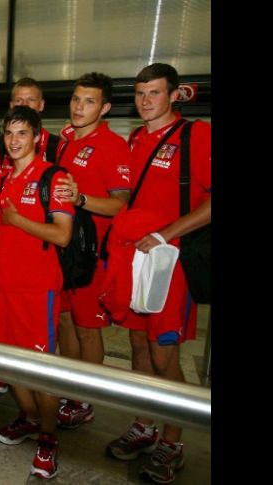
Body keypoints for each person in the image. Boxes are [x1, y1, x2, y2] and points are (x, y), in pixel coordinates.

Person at [105, 63, 210, 485]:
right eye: (141, 93)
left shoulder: (195, 135)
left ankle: (172, 440)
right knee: (137, 343)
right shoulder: (136, 138)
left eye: (155, 93)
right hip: (137, 259)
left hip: (172, 262)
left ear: (173, 96)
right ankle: (145, 424)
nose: (146, 101)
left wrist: (166, 234)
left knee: (165, 352)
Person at [0, 106, 73, 479]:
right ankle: (31, 417)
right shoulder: (2, 178)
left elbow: (62, 234)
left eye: (22, 133)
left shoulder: (55, 176)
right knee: (6, 361)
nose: (14, 141)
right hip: (2, 286)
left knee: (40, 369)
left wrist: (19, 220)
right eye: (9, 134)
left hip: (36, 291)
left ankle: (48, 438)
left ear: (37, 136)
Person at [52, 73, 132, 428]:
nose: (79, 107)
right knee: (66, 321)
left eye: (88, 101)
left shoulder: (113, 145)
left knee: (88, 328)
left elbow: (120, 206)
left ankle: (87, 398)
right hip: (63, 250)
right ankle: (71, 386)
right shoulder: (66, 139)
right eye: (75, 99)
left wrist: (82, 198)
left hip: (91, 254)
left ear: (105, 107)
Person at [0, 77, 60, 167]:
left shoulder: (56, 146)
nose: (24, 105)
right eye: (19, 100)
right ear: (11, 105)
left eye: (31, 100)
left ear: (41, 105)